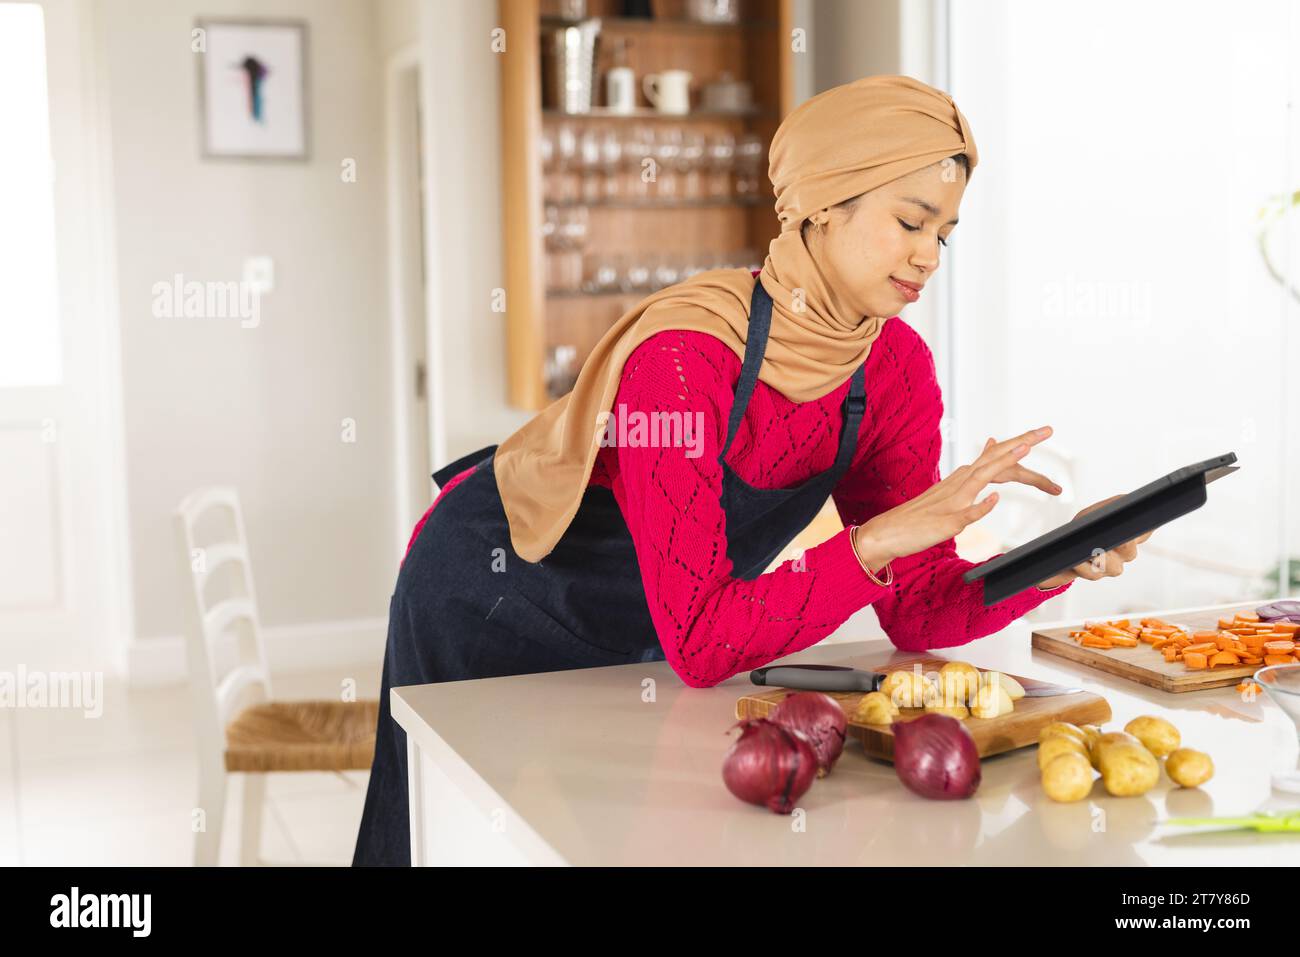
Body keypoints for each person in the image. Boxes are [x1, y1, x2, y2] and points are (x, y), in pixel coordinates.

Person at [352, 75, 1150, 866]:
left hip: (655, 615)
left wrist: (1058, 558)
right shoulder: (684, 360)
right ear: (823, 205)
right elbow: (703, 640)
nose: (928, 255)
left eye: (943, 234)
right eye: (911, 221)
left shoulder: (895, 369)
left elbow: (918, 608)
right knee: (450, 831)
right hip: (494, 592)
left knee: (606, 835)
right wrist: (872, 542)